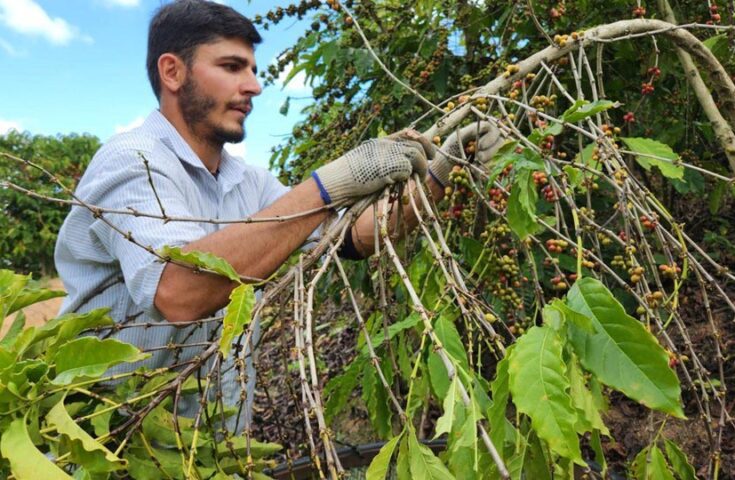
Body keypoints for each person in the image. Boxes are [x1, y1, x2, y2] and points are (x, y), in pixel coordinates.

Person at [54, 0, 500, 422]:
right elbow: (178, 292)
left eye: (252, 69)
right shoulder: (133, 162)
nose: (253, 86)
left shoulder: (248, 181)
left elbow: (350, 238)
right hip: (110, 438)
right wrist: (327, 185)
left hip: (211, 443)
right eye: (231, 67)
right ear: (172, 72)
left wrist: (438, 177)